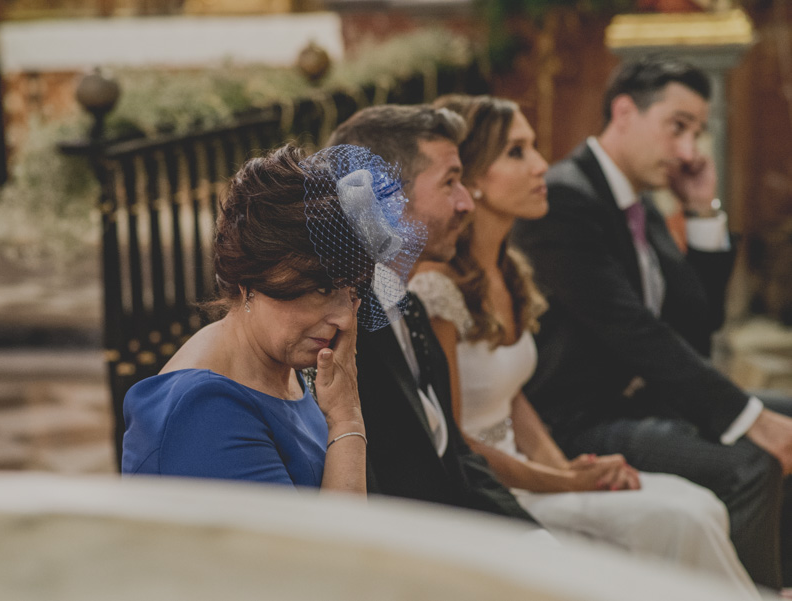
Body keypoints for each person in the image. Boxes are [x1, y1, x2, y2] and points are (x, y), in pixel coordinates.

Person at [407, 93, 758, 597]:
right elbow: (457, 441)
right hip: (492, 492)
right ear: (472, 179)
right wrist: (562, 481)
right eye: (516, 152)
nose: (541, 165)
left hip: (539, 468)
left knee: (698, 505)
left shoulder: (510, 270)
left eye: (533, 148)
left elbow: (512, 396)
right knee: (679, 517)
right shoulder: (436, 289)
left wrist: (565, 466)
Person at [510, 55, 792, 589]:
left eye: (697, 133)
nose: (689, 151)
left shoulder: (638, 201)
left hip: (640, 401)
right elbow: (635, 331)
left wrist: (704, 211)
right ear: (624, 111)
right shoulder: (568, 199)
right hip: (577, 419)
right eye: (677, 127)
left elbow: (697, 323)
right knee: (754, 460)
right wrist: (747, 418)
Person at [122, 143, 425, 494]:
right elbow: (331, 548)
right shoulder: (203, 411)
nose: (344, 318)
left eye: (354, 290)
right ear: (249, 281)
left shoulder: (279, 364)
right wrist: (346, 420)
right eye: (322, 289)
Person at [326, 105, 541, 527]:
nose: (466, 203)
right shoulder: (342, 331)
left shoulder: (412, 309)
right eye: (450, 183)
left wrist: (535, 539)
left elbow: (457, 460)